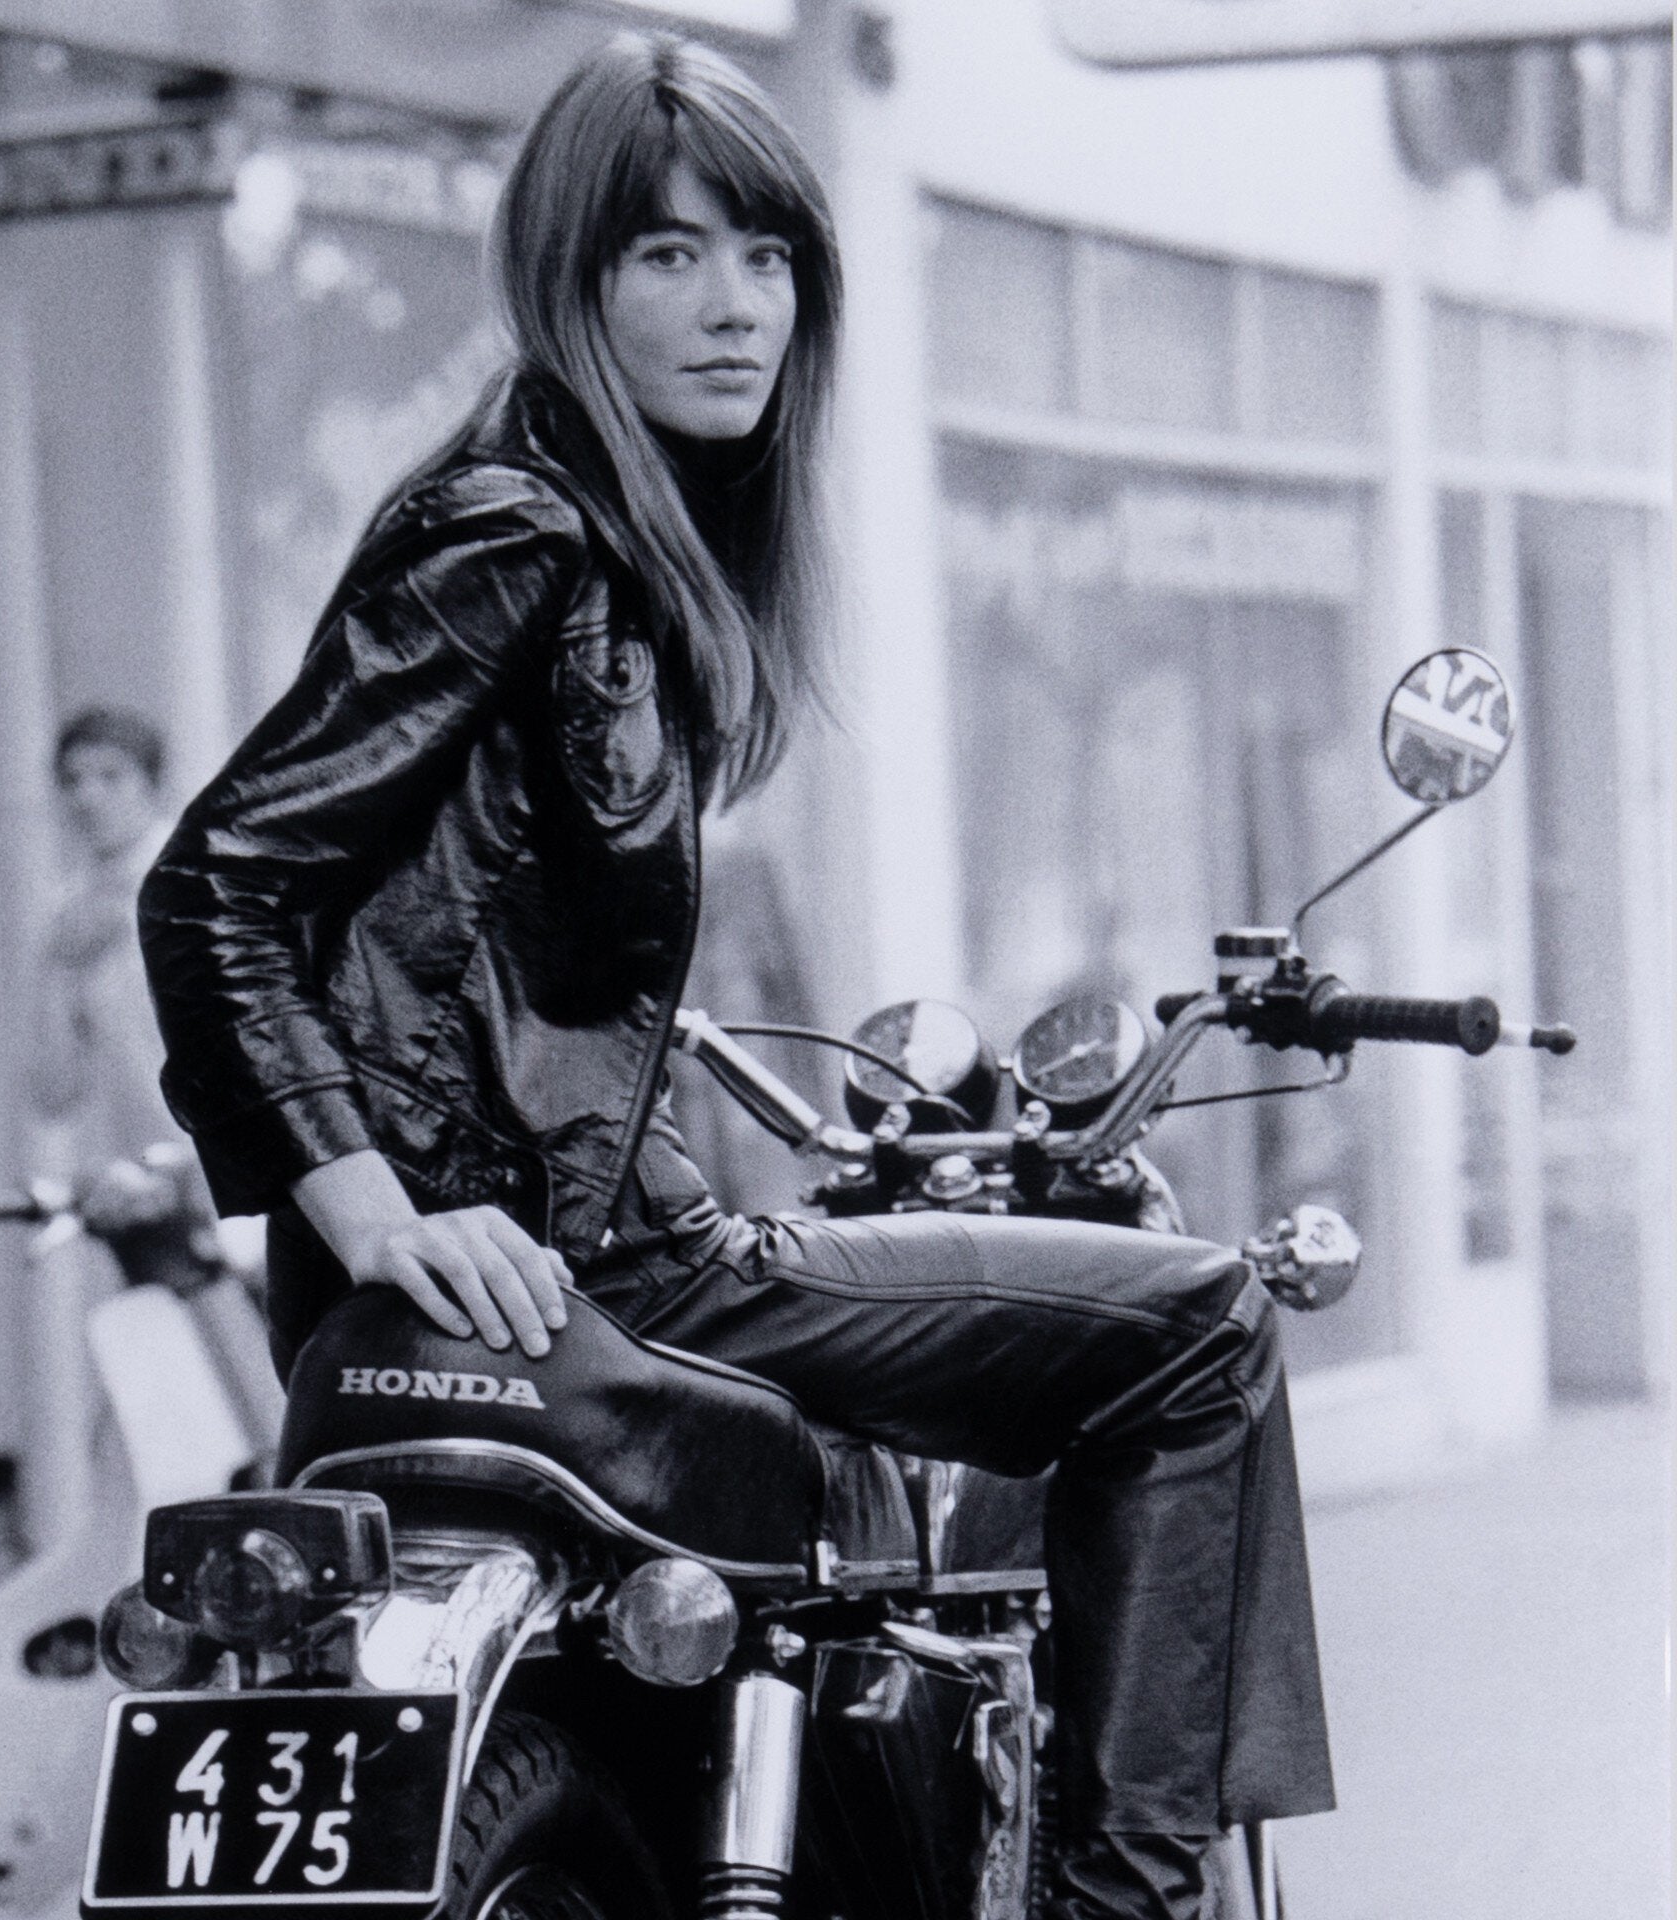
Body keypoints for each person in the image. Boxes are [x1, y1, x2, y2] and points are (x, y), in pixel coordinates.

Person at [138, 35, 1333, 1920]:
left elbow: (459, 924)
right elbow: (216, 881)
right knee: (1198, 1326)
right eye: (667, 258)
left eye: (766, 256)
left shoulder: (573, 530)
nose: (733, 306)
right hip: (601, 1266)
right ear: (572, 279)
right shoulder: (523, 531)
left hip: (548, 1249)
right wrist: (373, 1199)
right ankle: (1129, 1904)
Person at [30, 707, 180, 1172]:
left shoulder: (197, 880)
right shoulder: (67, 906)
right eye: (72, 781)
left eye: (111, 777)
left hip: (230, 1172)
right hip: (132, 1176)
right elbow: (53, 1093)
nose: (88, 797)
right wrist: (60, 967)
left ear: (151, 786)